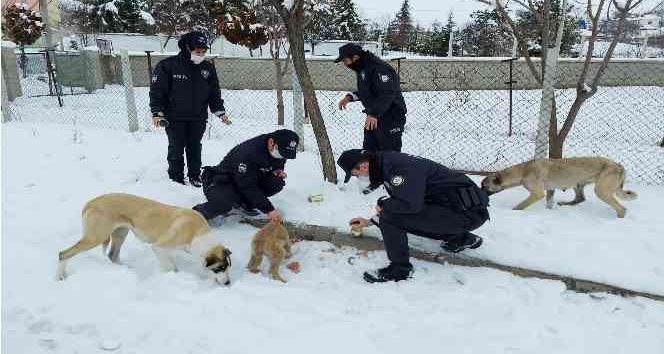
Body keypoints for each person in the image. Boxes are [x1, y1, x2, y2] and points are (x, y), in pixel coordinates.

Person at [337, 149, 490, 283]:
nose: (359, 179)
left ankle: (400, 269)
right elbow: (408, 203)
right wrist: (368, 222)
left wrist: (383, 206)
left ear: (363, 166)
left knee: (390, 216)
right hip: (464, 210)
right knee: (395, 212)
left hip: (466, 213)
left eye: (356, 175)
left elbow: (408, 205)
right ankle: (462, 239)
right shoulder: (387, 163)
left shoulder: (398, 170)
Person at [149, 30, 230, 187]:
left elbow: (214, 92)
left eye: (203, 51)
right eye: (197, 51)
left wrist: (220, 112)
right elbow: (157, 92)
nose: (201, 54)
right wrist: (157, 112)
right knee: (176, 148)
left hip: (198, 117)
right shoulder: (168, 66)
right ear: (187, 48)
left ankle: (194, 175)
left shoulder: (207, 68)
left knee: (195, 147)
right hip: (174, 117)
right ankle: (176, 177)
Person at [193, 129, 300, 225]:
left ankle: (244, 204)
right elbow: (248, 185)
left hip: (243, 181)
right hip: (220, 182)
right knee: (224, 204)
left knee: (276, 182)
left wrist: (277, 171)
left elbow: (277, 165)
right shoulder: (248, 152)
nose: (283, 157)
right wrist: (269, 209)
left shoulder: (278, 150)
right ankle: (194, 215)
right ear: (271, 142)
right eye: (282, 153)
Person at [336, 43, 407, 154]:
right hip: (375, 116)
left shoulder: (378, 68)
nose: (344, 64)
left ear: (355, 57)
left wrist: (374, 113)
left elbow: (387, 92)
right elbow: (369, 91)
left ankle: (390, 172)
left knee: (389, 154)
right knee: (369, 152)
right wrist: (350, 97)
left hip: (391, 116)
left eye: (345, 60)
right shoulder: (363, 68)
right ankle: (372, 171)